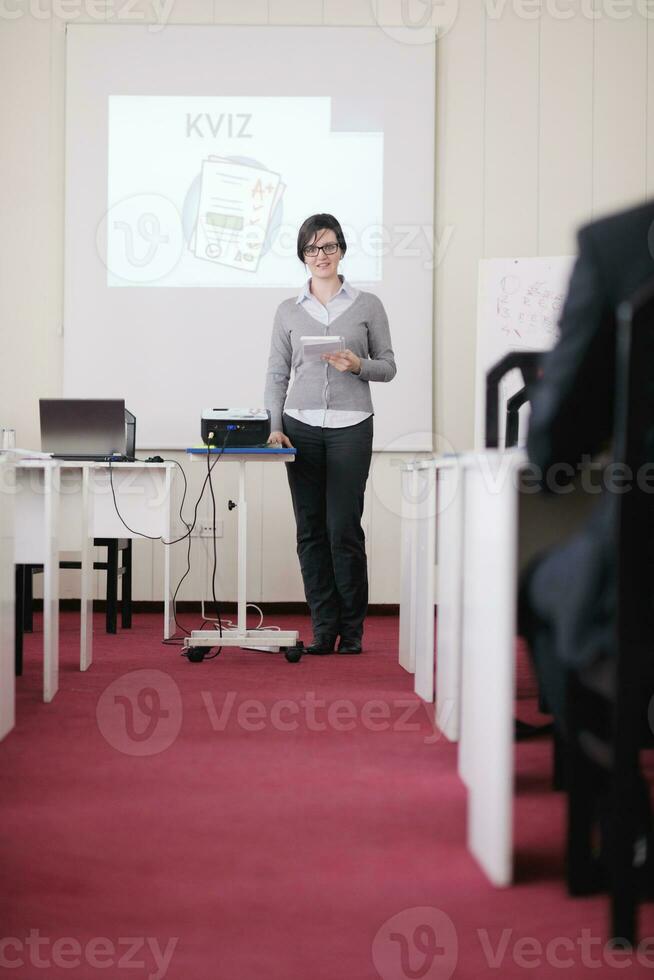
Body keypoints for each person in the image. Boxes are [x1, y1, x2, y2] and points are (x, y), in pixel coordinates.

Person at [521, 199, 654, 725]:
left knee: (543, 585)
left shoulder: (621, 243)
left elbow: (554, 448)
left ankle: (612, 779)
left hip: (637, 579)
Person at [264, 213, 396, 655]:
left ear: (342, 249)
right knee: (310, 531)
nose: (321, 256)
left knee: (344, 529)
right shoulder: (288, 310)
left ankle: (352, 630)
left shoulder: (367, 305)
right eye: (312, 249)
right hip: (300, 426)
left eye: (329, 247)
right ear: (302, 255)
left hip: (351, 426)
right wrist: (275, 427)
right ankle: (323, 628)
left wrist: (357, 365)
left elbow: (389, 367)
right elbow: (276, 374)